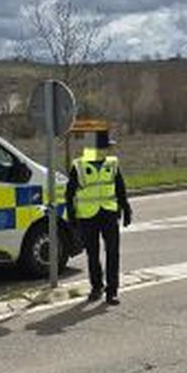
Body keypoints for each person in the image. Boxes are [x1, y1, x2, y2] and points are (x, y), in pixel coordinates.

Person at [68, 128, 133, 304]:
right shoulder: (79, 166)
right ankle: (97, 287)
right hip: (87, 217)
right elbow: (69, 193)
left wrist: (126, 208)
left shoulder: (112, 164)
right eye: (106, 147)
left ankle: (112, 291)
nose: (109, 150)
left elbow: (120, 188)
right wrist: (71, 215)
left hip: (109, 214)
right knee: (92, 254)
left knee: (113, 252)